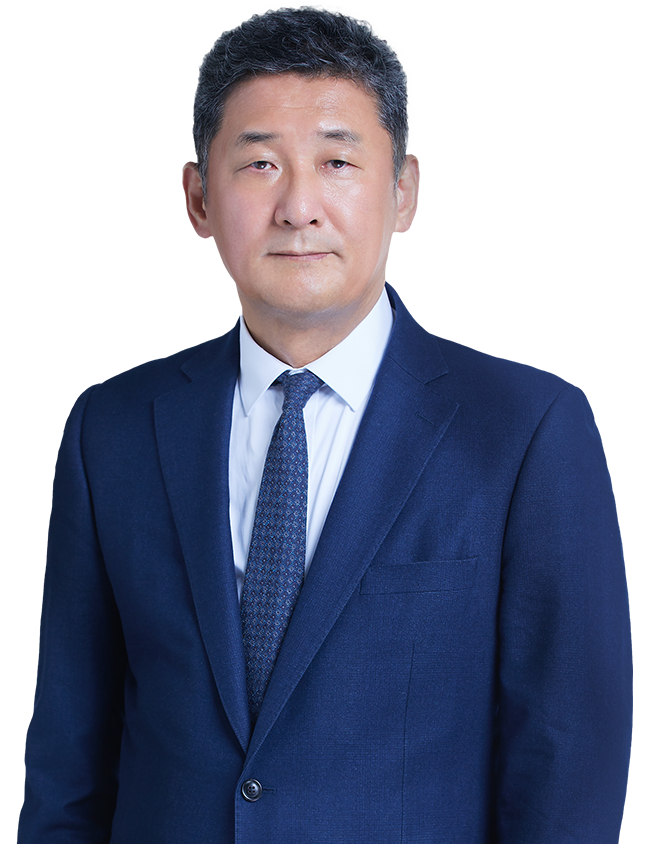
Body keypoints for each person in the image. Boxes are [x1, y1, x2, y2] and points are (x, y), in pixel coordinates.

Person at [19, 5, 630, 843]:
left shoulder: (522, 434)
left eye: (338, 161)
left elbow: (569, 769)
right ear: (198, 198)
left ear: (402, 192)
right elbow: (68, 765)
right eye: (260, 164)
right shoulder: (114, 433)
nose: (298, 206)